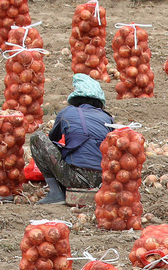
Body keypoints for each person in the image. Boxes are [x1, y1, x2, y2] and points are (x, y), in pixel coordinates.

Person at [30, 74, 114, 204]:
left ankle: (55, 193)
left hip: (76, 178)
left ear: (76, 99)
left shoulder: (67, 112)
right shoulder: (108, 118)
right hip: (104, 179)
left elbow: (52, 140)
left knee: (37, 138)